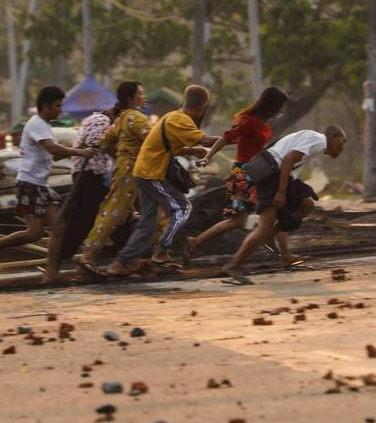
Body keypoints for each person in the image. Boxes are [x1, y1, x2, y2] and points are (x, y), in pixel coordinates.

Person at [0, 86, 97, 272]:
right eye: (57, 106)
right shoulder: (36, 124)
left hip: (40, 185)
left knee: (59, 227)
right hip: (29, 185)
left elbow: (50, 156)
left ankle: (51, 272)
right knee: (35, 233)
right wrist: (81, 152)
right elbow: (52, 148)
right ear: (46, 106)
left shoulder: (44, 126)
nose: (61, 110)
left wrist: (79, 151)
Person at [105, 85, 218, 276]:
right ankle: (161, 253)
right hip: (151, 174)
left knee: (148, 222)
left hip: (144, 171)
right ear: (202, 106)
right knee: (183, 208)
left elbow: (167, 147)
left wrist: (192, 150)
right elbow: (206, 141)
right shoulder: (180, 120)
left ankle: (121, 262)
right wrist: (236, 137)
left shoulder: (173, 116)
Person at [220, 125, 347, 283]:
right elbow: (288, 159)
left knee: (306, 204)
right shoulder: (320, 141)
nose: (343, 147)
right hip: (273, 174)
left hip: (279, 172)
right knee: (264, 226)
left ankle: (278, 246)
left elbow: (288, 159)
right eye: (343, 141)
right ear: (333, 136)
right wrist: (281, 192)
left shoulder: (315, 140)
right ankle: (232, 265)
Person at [185, 87, 289, 263]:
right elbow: (226, 138)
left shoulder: (265, 121)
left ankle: (284, 254)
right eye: (281, 105)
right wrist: (208, 157)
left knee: (268, 213)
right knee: (242, 220)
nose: (283, 110)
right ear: (273, 105)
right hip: (243, 175)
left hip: (258, 172)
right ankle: (195, 241)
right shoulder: (249, 121)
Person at [77, 81, 151, 274]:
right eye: (141, 93)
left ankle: (131, 259)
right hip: (131, 173)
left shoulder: (122, 119)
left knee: (125, 215)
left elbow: (104, 141)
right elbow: (154, 142)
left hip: (126, 170)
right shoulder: (136, 118)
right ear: (130, 98)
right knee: (114, 213)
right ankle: (89, 254)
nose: (144, 97)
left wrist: (120, 153)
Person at [41, 106, 116, 284]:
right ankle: (63, 258)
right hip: (90, 173)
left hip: (93, 174)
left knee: (98, 216)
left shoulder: (95, 120)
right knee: (84, 219)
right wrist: (117, 149)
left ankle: (102, 254)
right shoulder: (102, 120)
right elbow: (95, 141)